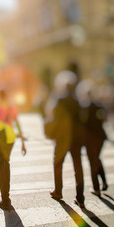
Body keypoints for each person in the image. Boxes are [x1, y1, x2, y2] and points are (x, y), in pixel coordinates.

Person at [44, 70, 85, 207]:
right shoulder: (78, 100)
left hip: (62, 138)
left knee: (57, 164)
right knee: (77, 167)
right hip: (76, 139)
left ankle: (58, 191)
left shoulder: (60, 100)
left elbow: (53, 116)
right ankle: (80, 197)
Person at [0, 89, 26, 210]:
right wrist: (23, 143)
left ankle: (4, 199)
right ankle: (6, 197)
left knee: (0, 166)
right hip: (10, 138)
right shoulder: (12, 107)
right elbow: (17, 124)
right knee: (6, 164)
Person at [75, 80, 109, 197]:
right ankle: (104, 182)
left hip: (90, 139)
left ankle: (96, 188)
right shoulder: (98, 105)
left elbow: (83, 124)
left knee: (92, 162)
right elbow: (104, 119)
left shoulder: (84, 107)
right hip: (101, 137)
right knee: (97, 159)